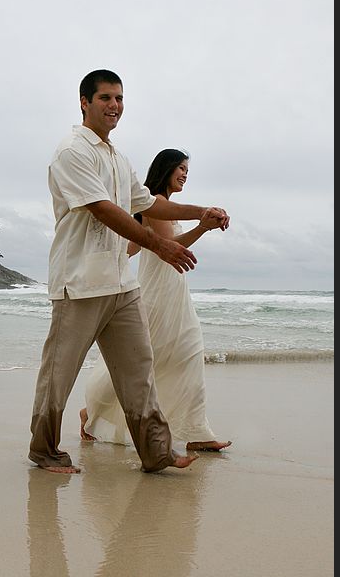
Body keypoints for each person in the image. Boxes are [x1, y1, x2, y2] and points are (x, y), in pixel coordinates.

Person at [28, 69, 229, 474]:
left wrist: (199, 211)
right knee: (59, 374)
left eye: (119, 98)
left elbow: (149, 203)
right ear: (84, 102)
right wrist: (159, 244)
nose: (114, 106)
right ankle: (44, 449)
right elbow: (104, 209)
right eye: (105, 98)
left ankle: (156, 453)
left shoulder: (118, 158)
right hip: (79, 283)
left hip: (121, 283)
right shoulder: (72, 152)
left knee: (140, 372)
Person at [80, 149, 232, 452]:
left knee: (181, 353)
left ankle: (196, 431)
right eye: (180, 168)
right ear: (165, 169)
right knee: (147, 358)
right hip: (158, 292)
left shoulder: (160, 205)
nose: (185, 174)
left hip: (172, 289)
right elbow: (169, 245)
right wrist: (202, 226)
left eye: (187, 170)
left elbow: (136, 246)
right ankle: (92, 408)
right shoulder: (156, 203)